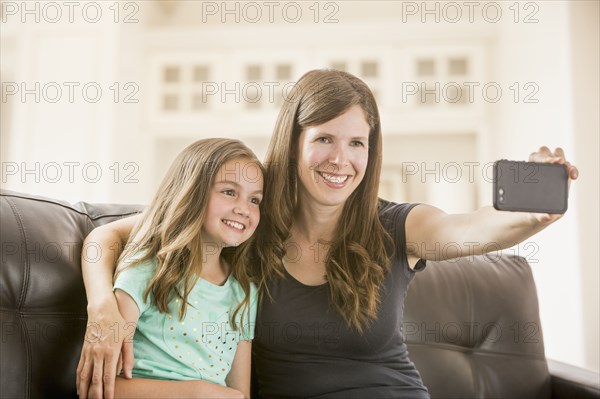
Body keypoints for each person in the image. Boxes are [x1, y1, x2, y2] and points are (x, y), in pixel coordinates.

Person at [76, 70, 578, 399]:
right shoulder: (245, 215)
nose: (341, 159)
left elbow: (471, 229)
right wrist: (102, 307)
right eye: (324, 139)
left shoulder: (397, 226)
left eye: (357, 142)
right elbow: (109, 237)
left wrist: (530, 213)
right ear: (293, 142)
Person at [77, 138, 264, 399]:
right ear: (192, 192)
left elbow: (239, 394)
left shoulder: (244, 292)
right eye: (229, 192)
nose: (244, 208)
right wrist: (194, 393)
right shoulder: (148, 268)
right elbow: (101, 388)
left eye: (255, 200)